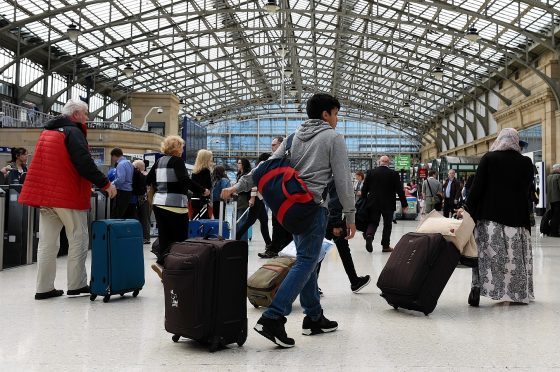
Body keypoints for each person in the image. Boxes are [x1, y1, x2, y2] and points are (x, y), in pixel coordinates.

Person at [222, 92, 356, 348]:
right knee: (307, 260)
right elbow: (342, 179)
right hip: (314, 207)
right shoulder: (333, 138)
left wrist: (237, 186)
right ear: (325, 114)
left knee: (306, 257)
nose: (337, 119)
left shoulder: (293, 137)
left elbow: (265, 167)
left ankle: (314, 317)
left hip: (290, 209)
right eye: (336, 114)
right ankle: (273, 317)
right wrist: (350, 214)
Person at [18, 98, 117, 300]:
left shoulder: (47, 132)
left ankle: (43, 288)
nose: (87, 118)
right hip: (66, 195)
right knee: (78, 238)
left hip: (46, 196)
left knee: (47, 243)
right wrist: (105, 184)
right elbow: (84, 162)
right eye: (86, 114)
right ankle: (77, 284)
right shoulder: (73, 132)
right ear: (75, 115)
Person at [465, 128, 534, 306]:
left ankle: (478, 286)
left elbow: (477, 189)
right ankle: (516, 292)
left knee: (486, 255)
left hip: (490, 218)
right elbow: (526, 191)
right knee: (514, 258)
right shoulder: (526, 162)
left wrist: (467, 209)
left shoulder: (489, 158)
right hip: (517, 220)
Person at [146, 135, 209, 268]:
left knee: (164, 237)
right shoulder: (177, 161)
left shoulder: (159, 161)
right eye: (181, 146)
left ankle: (162, 265)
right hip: (174, 206)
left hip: (158, 204)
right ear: (177, 148)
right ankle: (177, 268)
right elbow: (185, 180)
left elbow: (147, 180)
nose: (182, 149)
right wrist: (203, 190)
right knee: (179, 239)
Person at [323, 181, 371, 293]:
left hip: (327, 219)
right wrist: (336, 224)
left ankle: (355, 281)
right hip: (333, 221)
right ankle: (354, 282)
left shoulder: (325, 177)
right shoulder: (336, 179)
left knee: (333, 252)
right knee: (340, 252)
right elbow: (335, 202)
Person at [360, 155, 407, 253]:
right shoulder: (394, 174)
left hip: (373, 203)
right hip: (388, 204)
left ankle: (369, 235)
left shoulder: (371, 172)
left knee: (373, 221)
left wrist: (363, 199)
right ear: (388, 163)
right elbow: (400, 190)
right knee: (387, 224)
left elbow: (364, 189)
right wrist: (404, 204)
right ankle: (385, 246)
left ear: (379, 162)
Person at [258, 136, 293, 259]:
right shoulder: (273, 161)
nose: (272, 147)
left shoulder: (288, 160)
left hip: (287, 198)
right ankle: (275, 248)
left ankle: (282, 248)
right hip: (276, 198)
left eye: (274, 145)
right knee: (276, 224)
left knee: (285, 225)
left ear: (281, 145)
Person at [236, 153, 272, 247]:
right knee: (250, 221)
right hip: (256, 198)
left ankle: (269, 243)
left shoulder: (261, 167)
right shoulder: (261, 168)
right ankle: (236, 238)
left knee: (263, 220)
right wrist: (252, 198)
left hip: (259, 198)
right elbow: (254, 185)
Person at [110, 148, 136, 218]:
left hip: (121, 191)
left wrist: (111, 184)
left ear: (114, 156)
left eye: (112, 157)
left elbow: (121, 179)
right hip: (129, 191)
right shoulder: (129, 163)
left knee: (117, 214)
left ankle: (115, 228)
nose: (112, 159)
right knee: (124, 214)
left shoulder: (120, 164)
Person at [132, 160, 151, 244]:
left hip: (143, 199)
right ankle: (145, 237)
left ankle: (146, 238)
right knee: (145, 219)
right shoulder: (146, 175)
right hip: (146, 199)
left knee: (144, 219)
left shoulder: (142, 175)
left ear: (138, 168)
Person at [191, 149, 213, 219]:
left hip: (195, 199)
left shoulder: (195, 171)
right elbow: (207, 186)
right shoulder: (206, 171)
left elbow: (194, 186)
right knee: (204, 221)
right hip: (202, 200)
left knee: (195, 218)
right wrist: (205, 201)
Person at [235, 158, 252, 241]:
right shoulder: (238, 174)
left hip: (244, 200)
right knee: (237, 223)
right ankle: (238, 241)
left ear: (243, 165)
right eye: (237, 163)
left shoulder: (246, 175)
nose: (238, 165)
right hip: (237, 200)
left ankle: (243, 242)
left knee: (242, 223)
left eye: (239, 163)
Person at [546, 163, 560, 237]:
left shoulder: (548, 177)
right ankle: (555, 232)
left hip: (550, 199)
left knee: (552, 215)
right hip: (557, 199)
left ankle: (551, 231)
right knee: (557, 216)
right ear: (558, 169)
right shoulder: (558, 176)